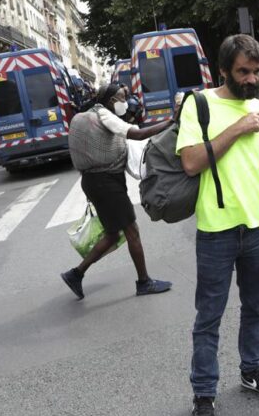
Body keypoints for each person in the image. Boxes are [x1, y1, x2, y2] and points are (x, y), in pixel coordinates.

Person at [177, 34, 259, 416]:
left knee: (256, 307)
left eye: (257, 72)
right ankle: (204, 395)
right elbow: (191, 162)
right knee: (208, 317)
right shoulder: (200, 104)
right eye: (243, 71)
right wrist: (238, 128)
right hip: (216, 231)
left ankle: (252, 370)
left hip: (257, 228)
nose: (251, 79)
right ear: (224, 70)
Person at [61, 83, 174, 299]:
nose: (125, 101)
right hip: (106, 184)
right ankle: (144, 282)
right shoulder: (105, 115)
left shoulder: (92, 114)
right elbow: (138, 135)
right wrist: (170, 122)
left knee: (113, 235)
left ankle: (75, 274)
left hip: (94, 182)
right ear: (112, 100)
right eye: (122, 97)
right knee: (132, 231)